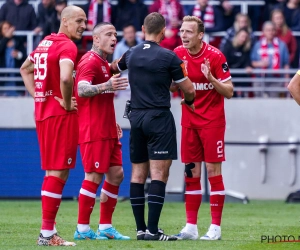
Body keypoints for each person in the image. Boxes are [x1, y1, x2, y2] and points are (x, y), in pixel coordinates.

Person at [110, 12, 195, 241]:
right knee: (159, 174)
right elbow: (189, 89)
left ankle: (140, 229)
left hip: (135, 118)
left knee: (137, 174)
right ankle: (153, 231)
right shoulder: (170, 58)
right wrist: (188, 102)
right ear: (164, 31)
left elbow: (112, 68)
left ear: (142, 28)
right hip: (158, 118)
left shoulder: (131, 53)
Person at [19, 6, 87, 246]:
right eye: (79, 20)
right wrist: (68, 104)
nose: (83, 25)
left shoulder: (45, 43)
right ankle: (47, 234)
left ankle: (49, 231)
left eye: (85, 21)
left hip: (44, 115)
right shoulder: (67, 46)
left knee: (52, 172)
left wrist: (40, 98)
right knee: (59, 171)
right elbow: (66, 77)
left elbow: (24, 69)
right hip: (60, 116)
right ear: (65, 20)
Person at [171, 15, 233, 240]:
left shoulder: (215, 56)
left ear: (200, 35)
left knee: (214, 173)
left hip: (212, 123)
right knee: (191, 174)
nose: (183, 35)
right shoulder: (177, 54)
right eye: (182, 31)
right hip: (189, 122)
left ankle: (215, 228)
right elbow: (172, 85)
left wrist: (211, 79)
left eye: (188, 32)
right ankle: (191, 227)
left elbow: (229, 91)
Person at [73, 22, 130, 241]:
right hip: (93, 129)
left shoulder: (104, 63)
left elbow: (103, 95)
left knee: (116, 175)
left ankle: (105, 227)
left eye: (115, 34)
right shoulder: (89, 61)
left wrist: (112, 121)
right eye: (108, 34)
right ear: (96, 39)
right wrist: (107, 85)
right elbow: (81, 89)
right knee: (94, 176)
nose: (113, 38)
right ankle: (83, 229)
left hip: (107, 128)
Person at [250, 21, 289, 98]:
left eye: (272, 30)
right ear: (263, 31)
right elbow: (252, 62)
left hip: (276, 80)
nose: (270, 32)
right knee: (258, 104)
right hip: (260, 79)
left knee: (274, 104)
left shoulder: (282, 45)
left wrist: (286, 81)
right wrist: (260, 63)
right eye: (268, 30)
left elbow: (286, 64)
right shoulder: (257, 45)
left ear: (275, 31)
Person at [113, 24, 142, 98]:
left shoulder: (142, 45)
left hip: (140, 77)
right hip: (124, 77)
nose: (129, 35)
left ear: (135, 33)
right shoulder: (119, 46)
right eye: (127, 33)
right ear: (124, 35)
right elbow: (115, 65)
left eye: (131, 32)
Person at [222, 28, 252, 98]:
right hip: (229, 75)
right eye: (242, 36)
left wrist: (248, 66)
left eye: (245, 37)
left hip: (241, 76)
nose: (243, 39)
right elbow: (223, 62)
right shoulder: (228, 46)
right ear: (237, 36)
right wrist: (228, 78)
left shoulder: (246, 49)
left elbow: (247, 61)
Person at [0, 20, 26, 96]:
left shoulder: (18, 41)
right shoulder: (1, 42)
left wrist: (19, 55)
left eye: (9, 28)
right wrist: (6, 38)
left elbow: (25, 57)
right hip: (3, 78)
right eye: (5, 29)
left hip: (16, 77)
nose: (8, 30)